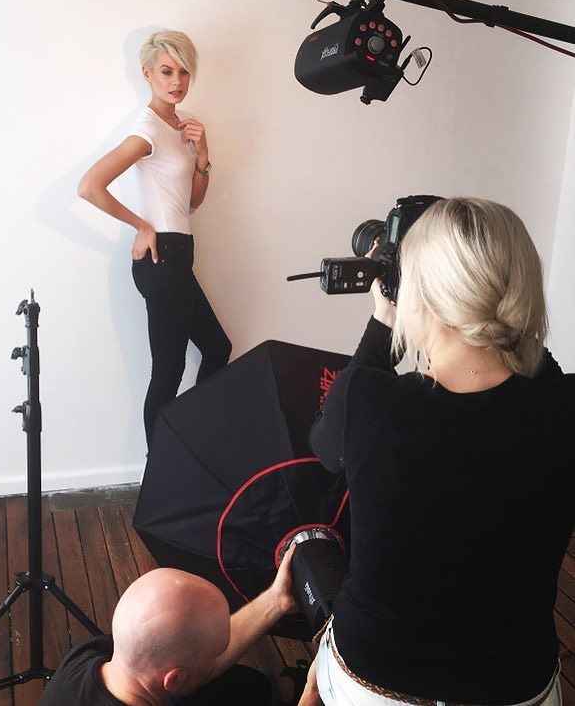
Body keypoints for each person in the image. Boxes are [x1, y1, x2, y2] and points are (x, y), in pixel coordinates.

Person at [300, 198, 574, 706]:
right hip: (518, 685)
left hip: (374, 680)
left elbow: (324, 446)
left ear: (419, 290)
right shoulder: (563, 406)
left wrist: (385, 320)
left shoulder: (364, 401)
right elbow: (541, 365)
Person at [78, 30, 232, 446]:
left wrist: (202, 157)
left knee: (217, 349)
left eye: (184, 72)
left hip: (179, 255)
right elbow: (90, 186)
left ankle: (188, 445)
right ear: (146, 74)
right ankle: (161, 469)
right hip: (161, 256)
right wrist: (141, 226)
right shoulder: (146, 128)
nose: (176, 82)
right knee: (167, 371)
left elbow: (192, 203)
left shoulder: (180, 126)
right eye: (166, 72)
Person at [39, 546, 297, 705]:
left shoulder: (85, 658)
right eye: (215, 654)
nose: (220, 654)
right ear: (173, 680)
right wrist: (313, 692)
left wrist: (275, 601)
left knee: (242, 683)